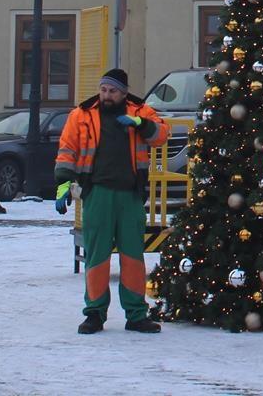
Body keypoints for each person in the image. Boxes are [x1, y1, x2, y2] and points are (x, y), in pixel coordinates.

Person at [53, 68, 167, 335]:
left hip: (130, 194)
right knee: (97, 256)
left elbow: (162, 134)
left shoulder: (140, 112)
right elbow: (67, 150)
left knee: (132, 257)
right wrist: (62, 185)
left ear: (124, 93)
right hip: (98, 193)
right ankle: (94, 313)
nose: (106, 95)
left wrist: (140, 125)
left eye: (112, 91)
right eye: (104, 90)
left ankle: (136, 314)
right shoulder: (81, 115)